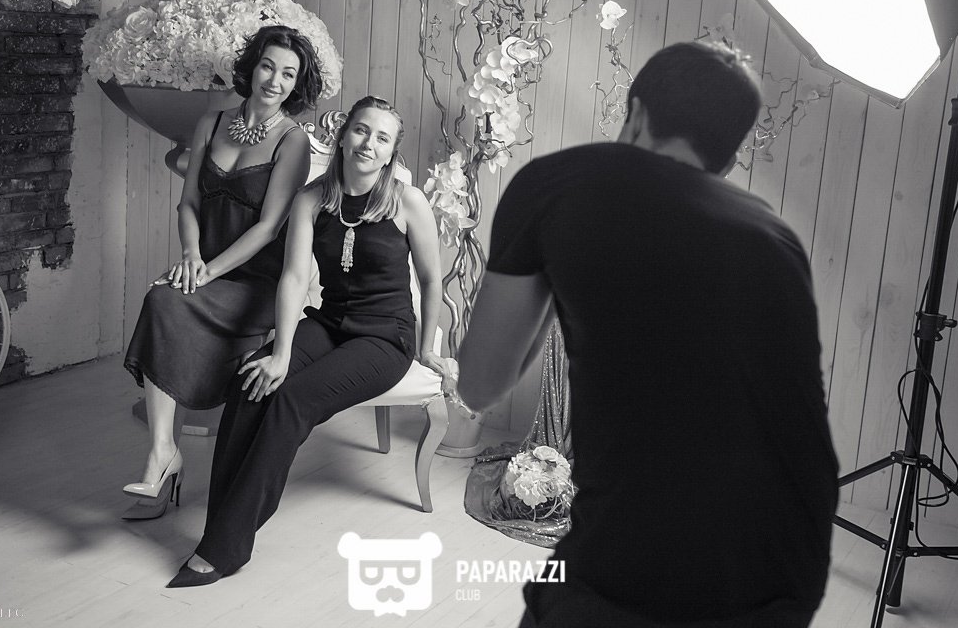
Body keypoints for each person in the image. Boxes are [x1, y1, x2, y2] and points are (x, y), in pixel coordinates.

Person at [458, 41, 839, 627]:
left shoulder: (557, 184)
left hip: (633, 569)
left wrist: (558, 268)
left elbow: (481, 385)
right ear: (730, 155)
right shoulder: (775, 234)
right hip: (791, 570)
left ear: (635, 114)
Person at [165, 95, 451, 587]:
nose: (368, 143)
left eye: (382, 138)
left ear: (391, 152)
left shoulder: (408, 201)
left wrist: (426, 349)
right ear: (343, 136)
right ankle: (221, 525)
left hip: (386, 337)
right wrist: (279, 352)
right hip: (330, 321)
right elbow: (295, 277)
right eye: (361, 130)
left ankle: (225, 546)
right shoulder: (312, 199)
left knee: (291, 400)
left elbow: (430, 279)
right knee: (250, 380)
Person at [121, 25, 322, 519]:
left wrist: (206, 273)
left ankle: (163, 463)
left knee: (168, 299)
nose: (274, 80)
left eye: (288, 74)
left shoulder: (292, 141)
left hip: (257, 282)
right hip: (205, 265)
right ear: (252, 67)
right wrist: (191, 256)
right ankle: (162, 453)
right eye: (268, 66)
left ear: (297, 84)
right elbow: (188, 202)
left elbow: (269, 229)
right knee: (163, 296)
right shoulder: (211, 122)